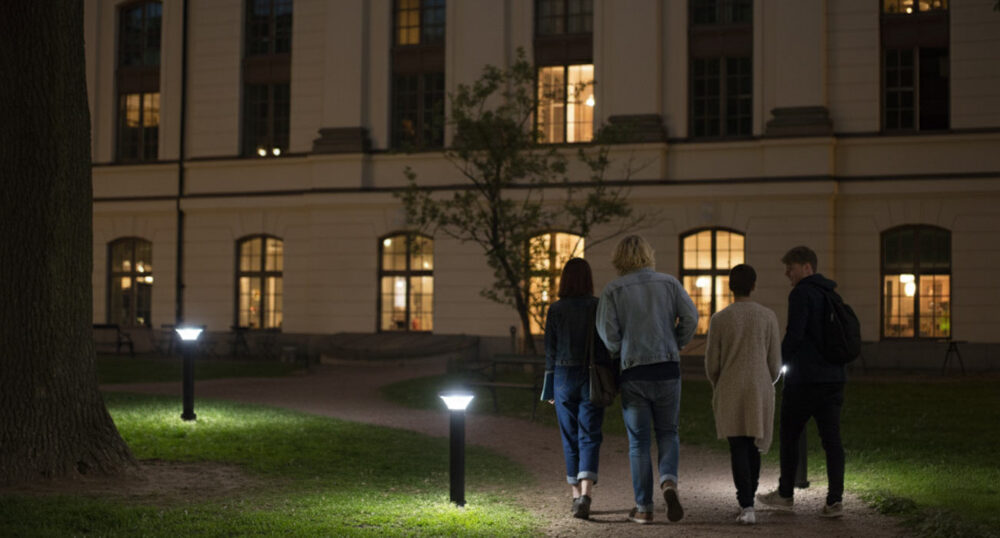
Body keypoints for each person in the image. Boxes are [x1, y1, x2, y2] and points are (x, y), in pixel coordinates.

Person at [596, 235, 698, 525]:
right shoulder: (669, 283)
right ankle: (668, 482)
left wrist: (622, 349)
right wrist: (675, 343)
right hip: (667, 368)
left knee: (638, 442)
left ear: (619, 258)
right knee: (668, 432)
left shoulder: (613, 290)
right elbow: (691, 317)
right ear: (648, 255)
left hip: (634, 372)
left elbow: (608, 334)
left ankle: (644, 507)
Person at [757, 245, 848, 518]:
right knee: (832, 440)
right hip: (833, 378)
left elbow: (795, 335)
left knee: (790, 435)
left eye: (791, 267)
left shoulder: (801, 293)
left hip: (805, 380)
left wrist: (777, 363)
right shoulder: (831, 294)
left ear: (806, 267)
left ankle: (785, 494)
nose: (787, 273)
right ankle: (835, 501)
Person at [704, 264, 782, 525]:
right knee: (754, 444)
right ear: (754, 285)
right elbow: (774, 363)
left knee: (737, 445)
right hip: (759, 387)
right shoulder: (768, 317)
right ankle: (750, 497)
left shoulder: (720, 319)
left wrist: (719, 381)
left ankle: (746, 503)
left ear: (730, 287)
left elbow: (711, 364)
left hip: (731, 387)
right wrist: (766, 380)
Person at [541, 258, 608, 520]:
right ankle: (587, 494)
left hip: (562, 377)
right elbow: (604, 346)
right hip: (590, 375)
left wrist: (549, 389)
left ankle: (574, 495)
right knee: (589, 434)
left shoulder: (555, 309)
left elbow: (550, 351)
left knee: (569, 436)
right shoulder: (598, 306)